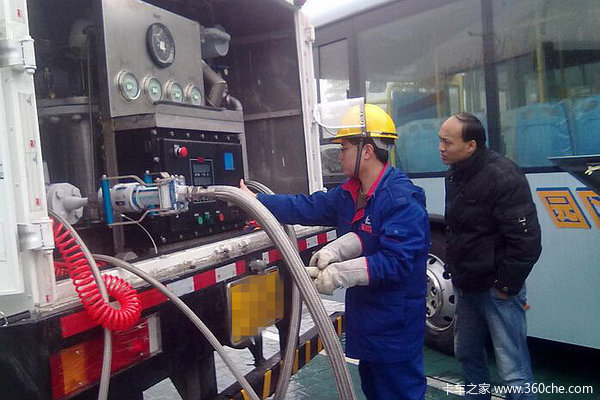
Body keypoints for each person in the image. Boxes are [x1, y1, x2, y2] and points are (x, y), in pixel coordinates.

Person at [240, 103, 430, 400]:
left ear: (367, 151)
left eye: (344, 148)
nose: (339, 154)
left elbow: (396, 262)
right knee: (375, 390)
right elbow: (307, 206)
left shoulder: (401, 199)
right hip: (369, 322)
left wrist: (339, 273)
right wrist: (258, 202)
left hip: (395, 327)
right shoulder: (351, 192)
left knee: (399, 392)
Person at [438, 113, 542, 399]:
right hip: (467, 285)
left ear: (471, 145)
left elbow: (527, 240)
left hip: (496, 290)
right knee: (467, 354)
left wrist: (505, 286)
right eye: (440, 140)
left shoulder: (503, 176)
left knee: (512, 370)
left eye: (447, 142)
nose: (441, 148)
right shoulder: (454, 175)